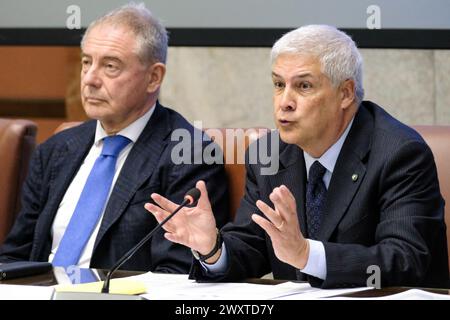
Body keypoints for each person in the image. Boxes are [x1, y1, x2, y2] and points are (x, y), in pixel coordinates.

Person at [145, 25, 449, 288]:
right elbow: (253, 246)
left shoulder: (399, 153)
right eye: (279, 84)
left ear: (345, 94)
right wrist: (213, 248)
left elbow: (406, 260)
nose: (284, 103)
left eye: (303, 86)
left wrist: (307, 255)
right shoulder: (269, 155)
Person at [0, 3, 229, 274]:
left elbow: (176, 272)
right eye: (87, 62)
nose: (90, 79)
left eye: (110, 66)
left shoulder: (188, 154)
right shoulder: (56, 149)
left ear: (154, 78)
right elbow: (16, 255)